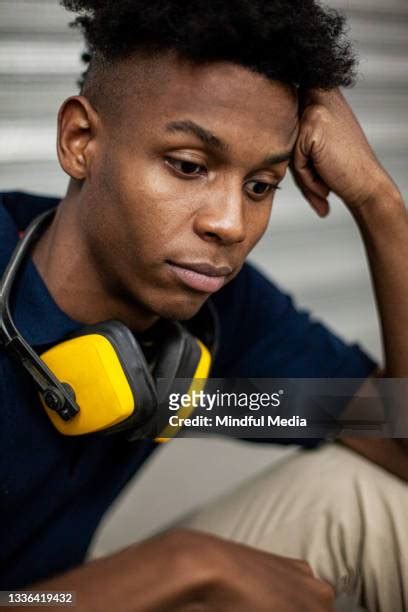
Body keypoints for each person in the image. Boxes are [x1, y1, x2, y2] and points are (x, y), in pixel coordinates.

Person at [0, 0, 407, 610]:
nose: (230, 224)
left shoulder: (219, 305)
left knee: (366, 497)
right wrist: (185, 563)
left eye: (261, 186)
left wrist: (380, 204)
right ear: (80, 140)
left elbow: (397, 439)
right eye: (189, 165)